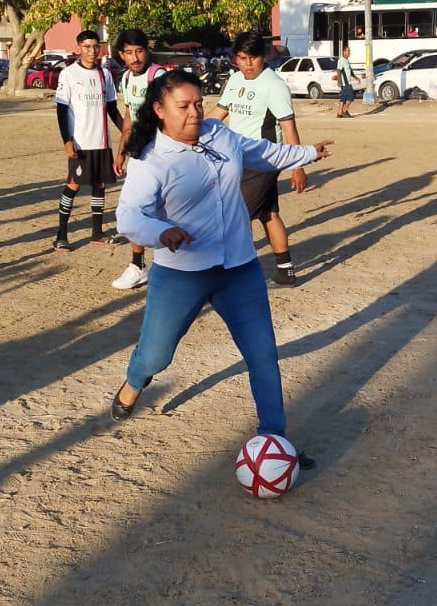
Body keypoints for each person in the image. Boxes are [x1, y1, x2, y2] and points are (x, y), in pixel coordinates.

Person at [110, 68, 332, 466]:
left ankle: (274, 443)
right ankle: (133, 384)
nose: (195, 112)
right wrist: (161, 232)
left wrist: (307, 153)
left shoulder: (219, 134)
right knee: (156, 356)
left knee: (263, 355)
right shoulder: (151, 159)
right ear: (159, 109)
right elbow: (128, 217)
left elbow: (261, 153)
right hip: (181, 274)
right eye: (183, 106)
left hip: (239, 269)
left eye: (198, 103)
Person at [206, 31, 309, 285]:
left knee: (237, 216)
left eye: (253, 57)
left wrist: (297, 166)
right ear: (235, 59)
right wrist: (190, 130)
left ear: (264, 57)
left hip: (264, 159)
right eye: (242, 58)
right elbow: (218, 114)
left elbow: (288, 127)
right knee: (268, 213)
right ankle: (285, 271)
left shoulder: (274, 85)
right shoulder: (234, 81)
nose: (248, 64)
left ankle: (238, 274)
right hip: (236, 158)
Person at [52, 29, 123, 250]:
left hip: (101, 142)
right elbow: (61, 110)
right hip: (80, 142)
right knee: (73, 185)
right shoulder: (69, 74)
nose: (92, 51)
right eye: (87, 47)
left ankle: (97, 233)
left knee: (99, 185)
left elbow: (112, 107)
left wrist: (127, 131)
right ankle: (61, 235)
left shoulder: (105, 74)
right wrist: (67, 140)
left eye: (95, 46)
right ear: (79, 48)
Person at [111, 27, 166, 290]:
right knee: (135, 208)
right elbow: (129, 116)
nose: (135, 57)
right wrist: (121, 150)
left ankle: (171, 265)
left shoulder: (159, 77)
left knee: (167, 210)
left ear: (147, 51)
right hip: (139, 155)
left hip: (163, 156)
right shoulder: (125, 79)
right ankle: (138, 265)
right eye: (129, 52)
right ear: (121, 55)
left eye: (139, 51)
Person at [334, 43, 357, 120]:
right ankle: (344, 110)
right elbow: (338, 70)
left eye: (349, 51)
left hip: (347, 82)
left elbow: (350, 71)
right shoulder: (341, 60)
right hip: (345, 83)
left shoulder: (347, 60)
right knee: (351, 96)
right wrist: (339, 81)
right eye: (348, 51)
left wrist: (356, 78)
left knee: (344, 97)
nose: (349, 52)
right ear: (343, 52)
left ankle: (340, 113)